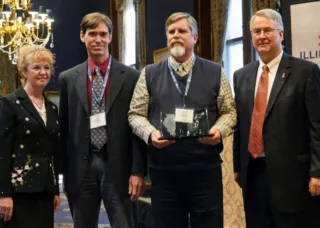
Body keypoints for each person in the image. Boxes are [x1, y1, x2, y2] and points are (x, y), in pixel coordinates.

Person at [128, 12, 237, 228]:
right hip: (164, 172)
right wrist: (150, 133)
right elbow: (135, 114)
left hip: (205, 171)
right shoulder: (149, 74)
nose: (175, 35)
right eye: (171, 32)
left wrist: (219, 130)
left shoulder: (216, 72)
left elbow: (230, 112)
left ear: (194, 37)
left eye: (182, 31)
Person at [233, 8, 320, 228]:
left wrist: (317, 172)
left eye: (267, 30)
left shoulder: (305, 72)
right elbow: (240, 125)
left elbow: (317, 126)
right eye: (256, 31)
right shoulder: (241, 76)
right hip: (253, 175)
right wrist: (237, 166)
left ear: (281, 34)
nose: (261, 35)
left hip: (293, 178)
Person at [59, 12, 146, 228]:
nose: (98, 39)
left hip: (119, 164)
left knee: (124, 223)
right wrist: (63, 173)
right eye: (92, 34)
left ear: (110, 37)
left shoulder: (132, 77)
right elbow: (64, 127)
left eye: (103, 34)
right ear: (82, 36)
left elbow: (137, 126)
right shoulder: (68, 79)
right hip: (81, 166)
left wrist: (137, 170)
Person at [0, 45, 61, 228]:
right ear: (24, 72)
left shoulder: (51, 108)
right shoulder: (9, 104)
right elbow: (2, 151)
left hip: (45, 191)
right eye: (36, 67)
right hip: (18, 191)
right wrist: (3, 194)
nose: (43, 72)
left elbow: (52, 152)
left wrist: (55, 189)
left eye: (47, 68)